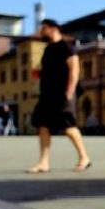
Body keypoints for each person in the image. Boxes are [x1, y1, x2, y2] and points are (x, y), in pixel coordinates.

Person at [26, 20, 91, 173]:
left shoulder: (66, 47)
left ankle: (84, 157)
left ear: (54, 28)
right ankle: (43, 163)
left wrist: (69, 92)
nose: (41, 31)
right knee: (43, 126)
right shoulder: (48, 49)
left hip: (62, 94)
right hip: (47, 95)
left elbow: (74, 70)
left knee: (68, 126)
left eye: (44, 28)